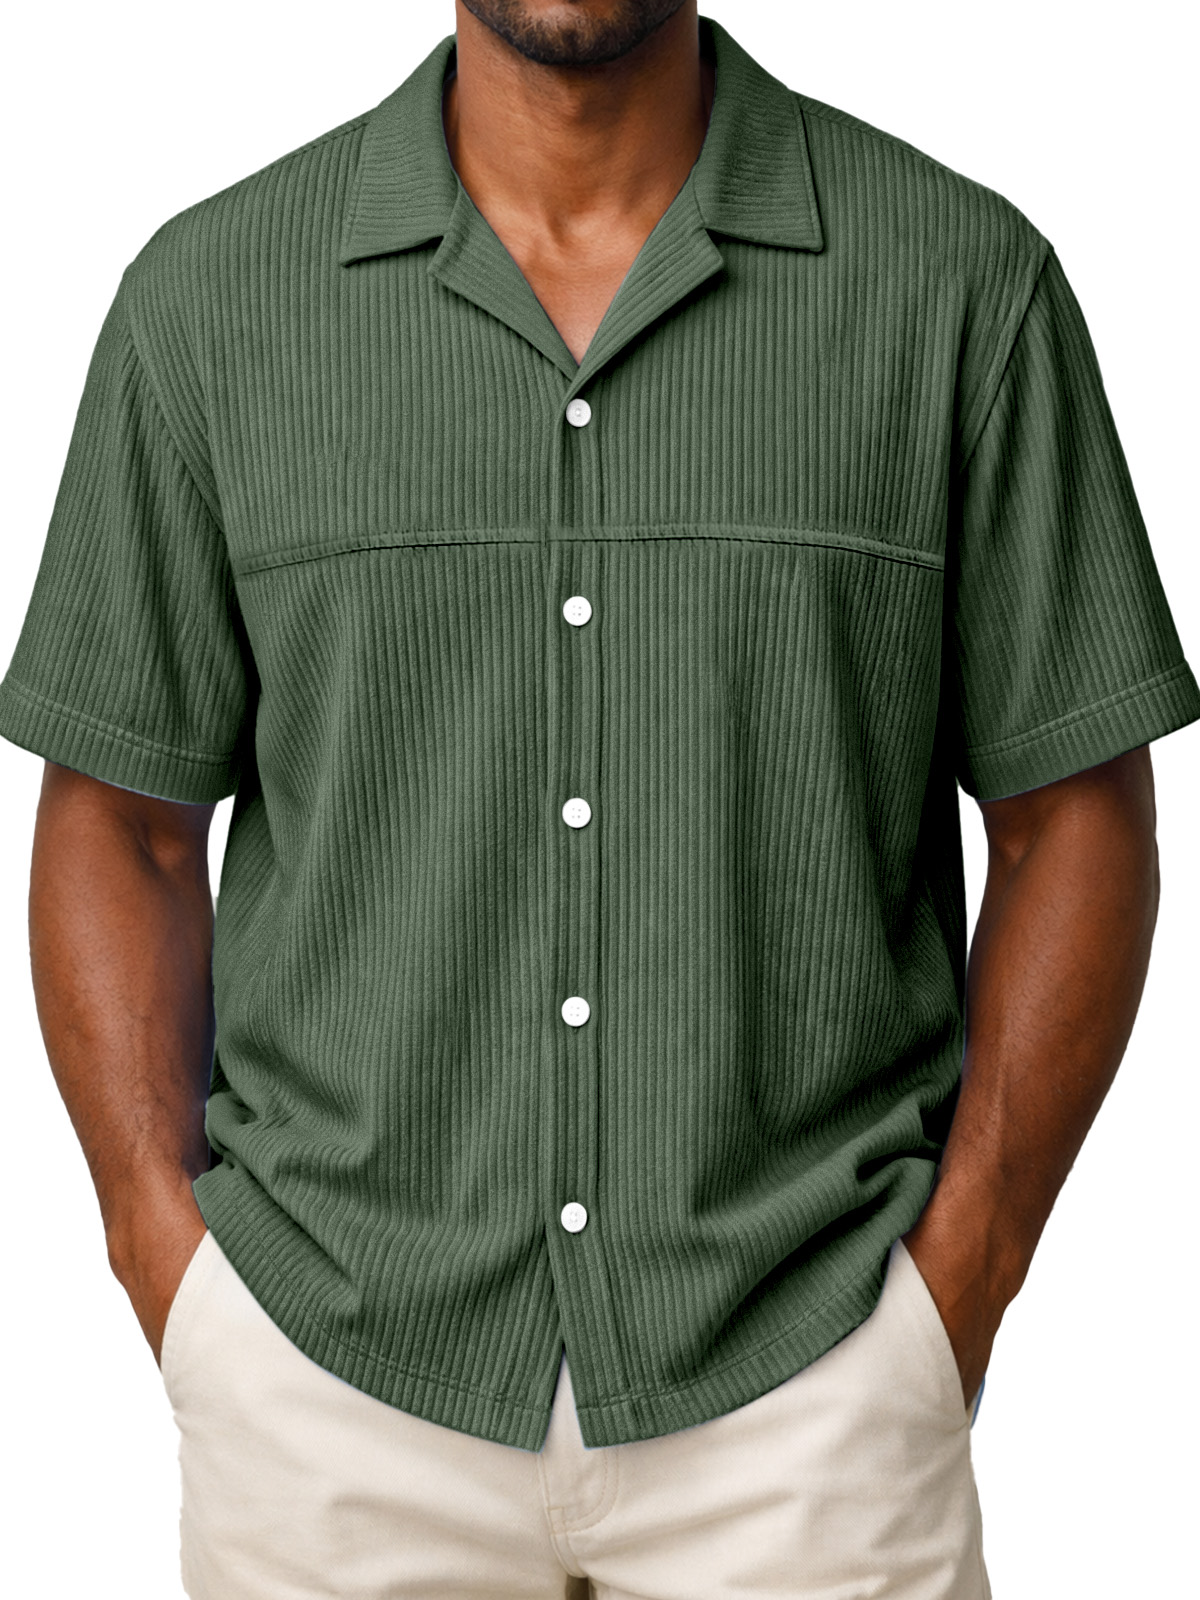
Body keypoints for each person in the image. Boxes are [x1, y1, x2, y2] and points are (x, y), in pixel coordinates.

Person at [1, 2, 1197, 1596]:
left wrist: (962, 1276)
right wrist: (167, 1262)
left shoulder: (961, 285)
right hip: (331, 1390)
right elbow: (123, 822)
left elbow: (1075, 814)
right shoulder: (211, 302)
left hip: (812, 1389)